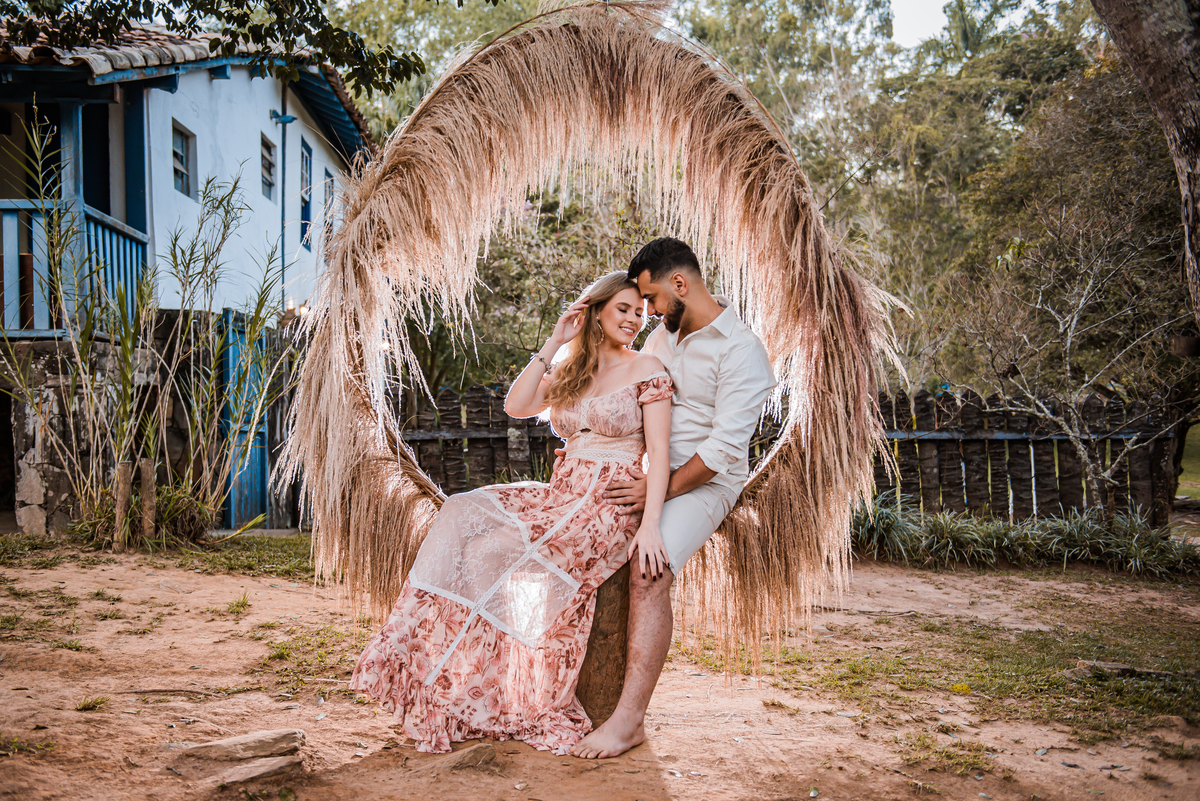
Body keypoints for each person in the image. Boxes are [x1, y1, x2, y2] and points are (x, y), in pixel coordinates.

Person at [349, 271, 674, 756]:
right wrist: (555, 340)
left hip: (609, 504)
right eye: (622, 309)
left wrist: (649, 526)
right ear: (595, 311)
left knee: (502, 555)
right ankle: (472, 683)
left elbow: (661, 455)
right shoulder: (573, 371)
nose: (634, 319)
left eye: (639, 311)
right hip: (562, 495)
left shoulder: (646, 368)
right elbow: (517, 405)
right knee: (467, 522)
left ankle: (518, 693)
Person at [572, 237, 776, 759]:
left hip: (705, 483)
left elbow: (723, 452)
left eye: (652, 298)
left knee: (649, 569)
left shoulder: (742, 351)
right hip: (646, 470)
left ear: (680, 284)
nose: (648, 311)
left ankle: (628, 721)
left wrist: (654, 491)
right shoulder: (663, 337)